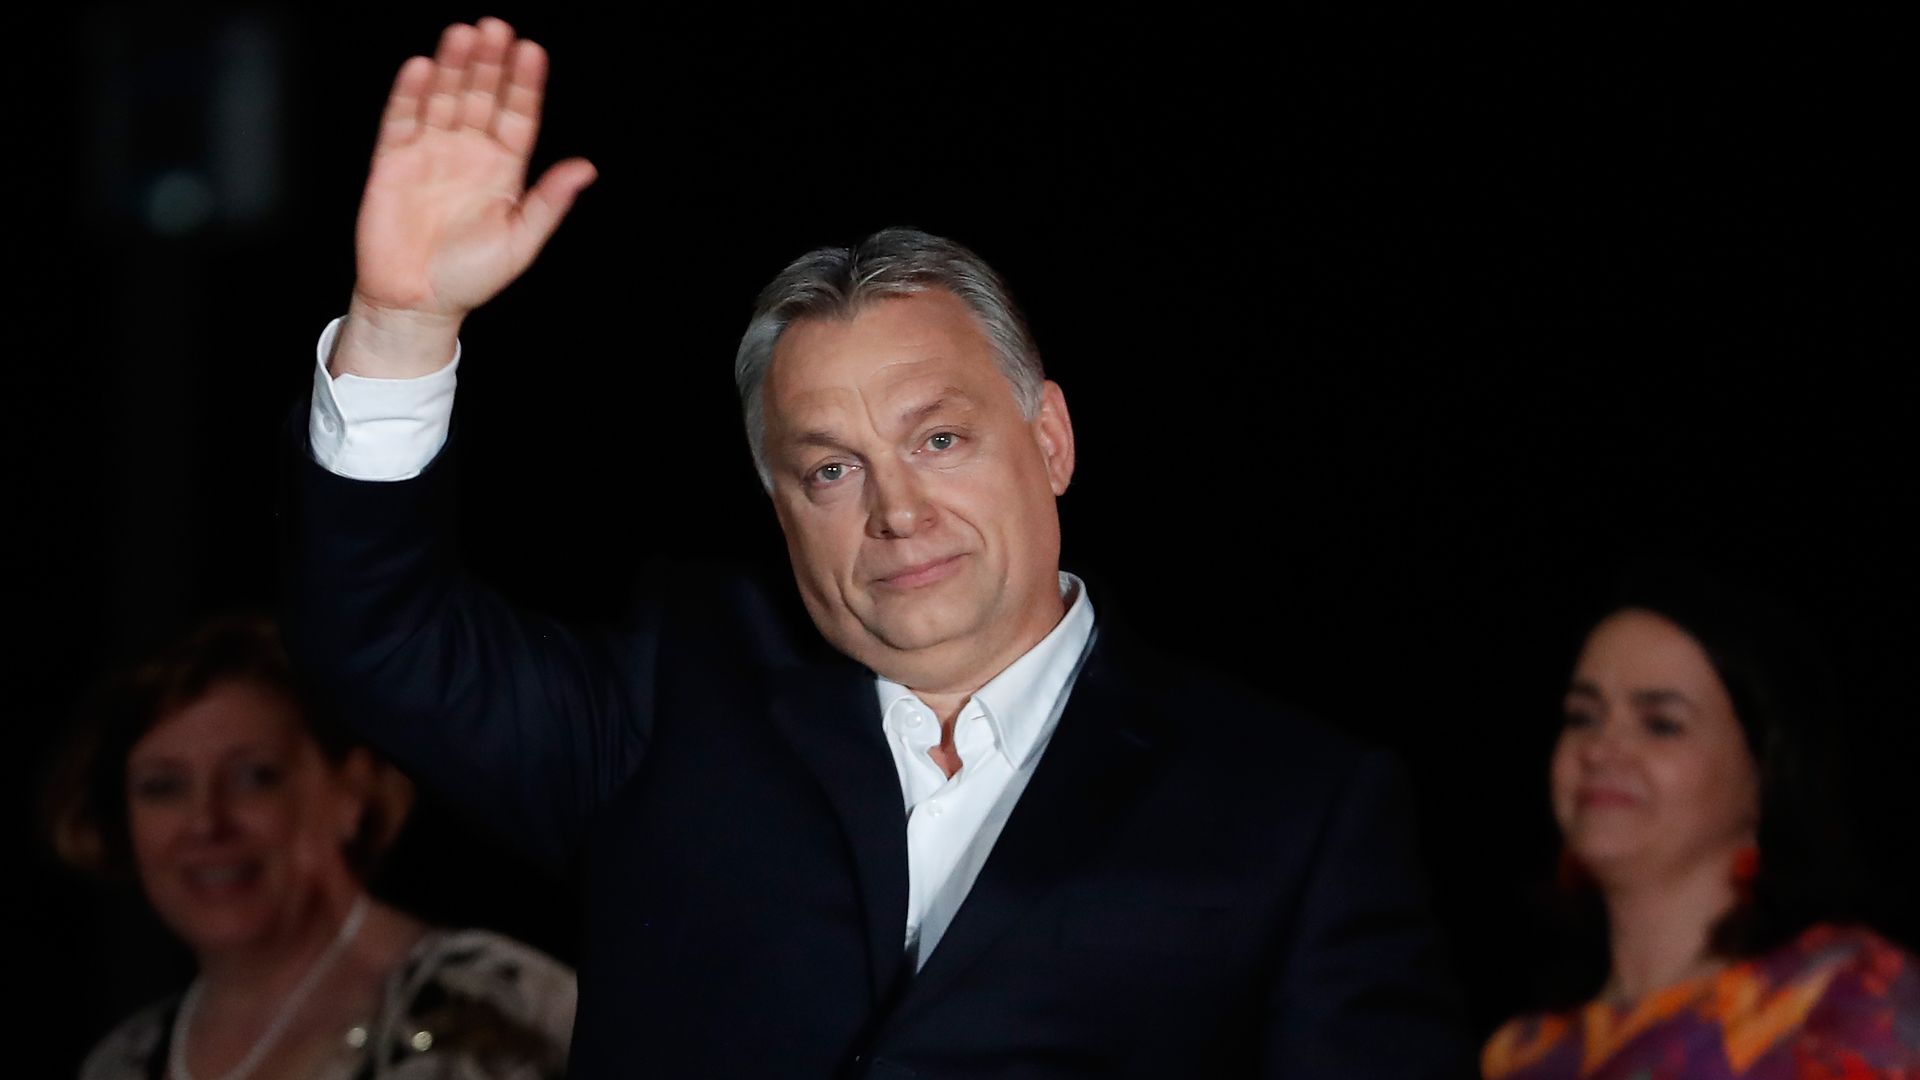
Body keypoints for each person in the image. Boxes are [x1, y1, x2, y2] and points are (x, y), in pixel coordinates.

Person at [286, 17, 1471, 1077]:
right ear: (780, 501)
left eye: (941, 438)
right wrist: (402, 323)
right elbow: (378, 640)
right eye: (832, 469)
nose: (897, 511)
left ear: (1048, 438)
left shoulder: (1294, 805)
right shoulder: (668, 702)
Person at [52, 616, 575, 1079]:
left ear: (352, 790)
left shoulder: (489, 1003)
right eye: (162, 787)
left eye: (255, 777)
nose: (205, 823)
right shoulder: (123, 1061)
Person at [1481, 581, 1920, 1079]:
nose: (1601, 749)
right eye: (1583, 717)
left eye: (1661, 724)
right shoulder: (1524, 1055)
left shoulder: (1848, 993)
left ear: (1764, 775)